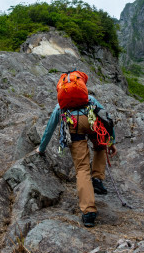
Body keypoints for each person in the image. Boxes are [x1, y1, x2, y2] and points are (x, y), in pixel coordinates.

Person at [36, 93, 117, 227]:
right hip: (91, 120)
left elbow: (50, 127)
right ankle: (97, 179)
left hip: (73, 124)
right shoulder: (89, 98)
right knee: (99, 146)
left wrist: (42, 148)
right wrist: (110, 141)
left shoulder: (61, 104)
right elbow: (105, 117)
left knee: (82, 169)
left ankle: (89, 212)